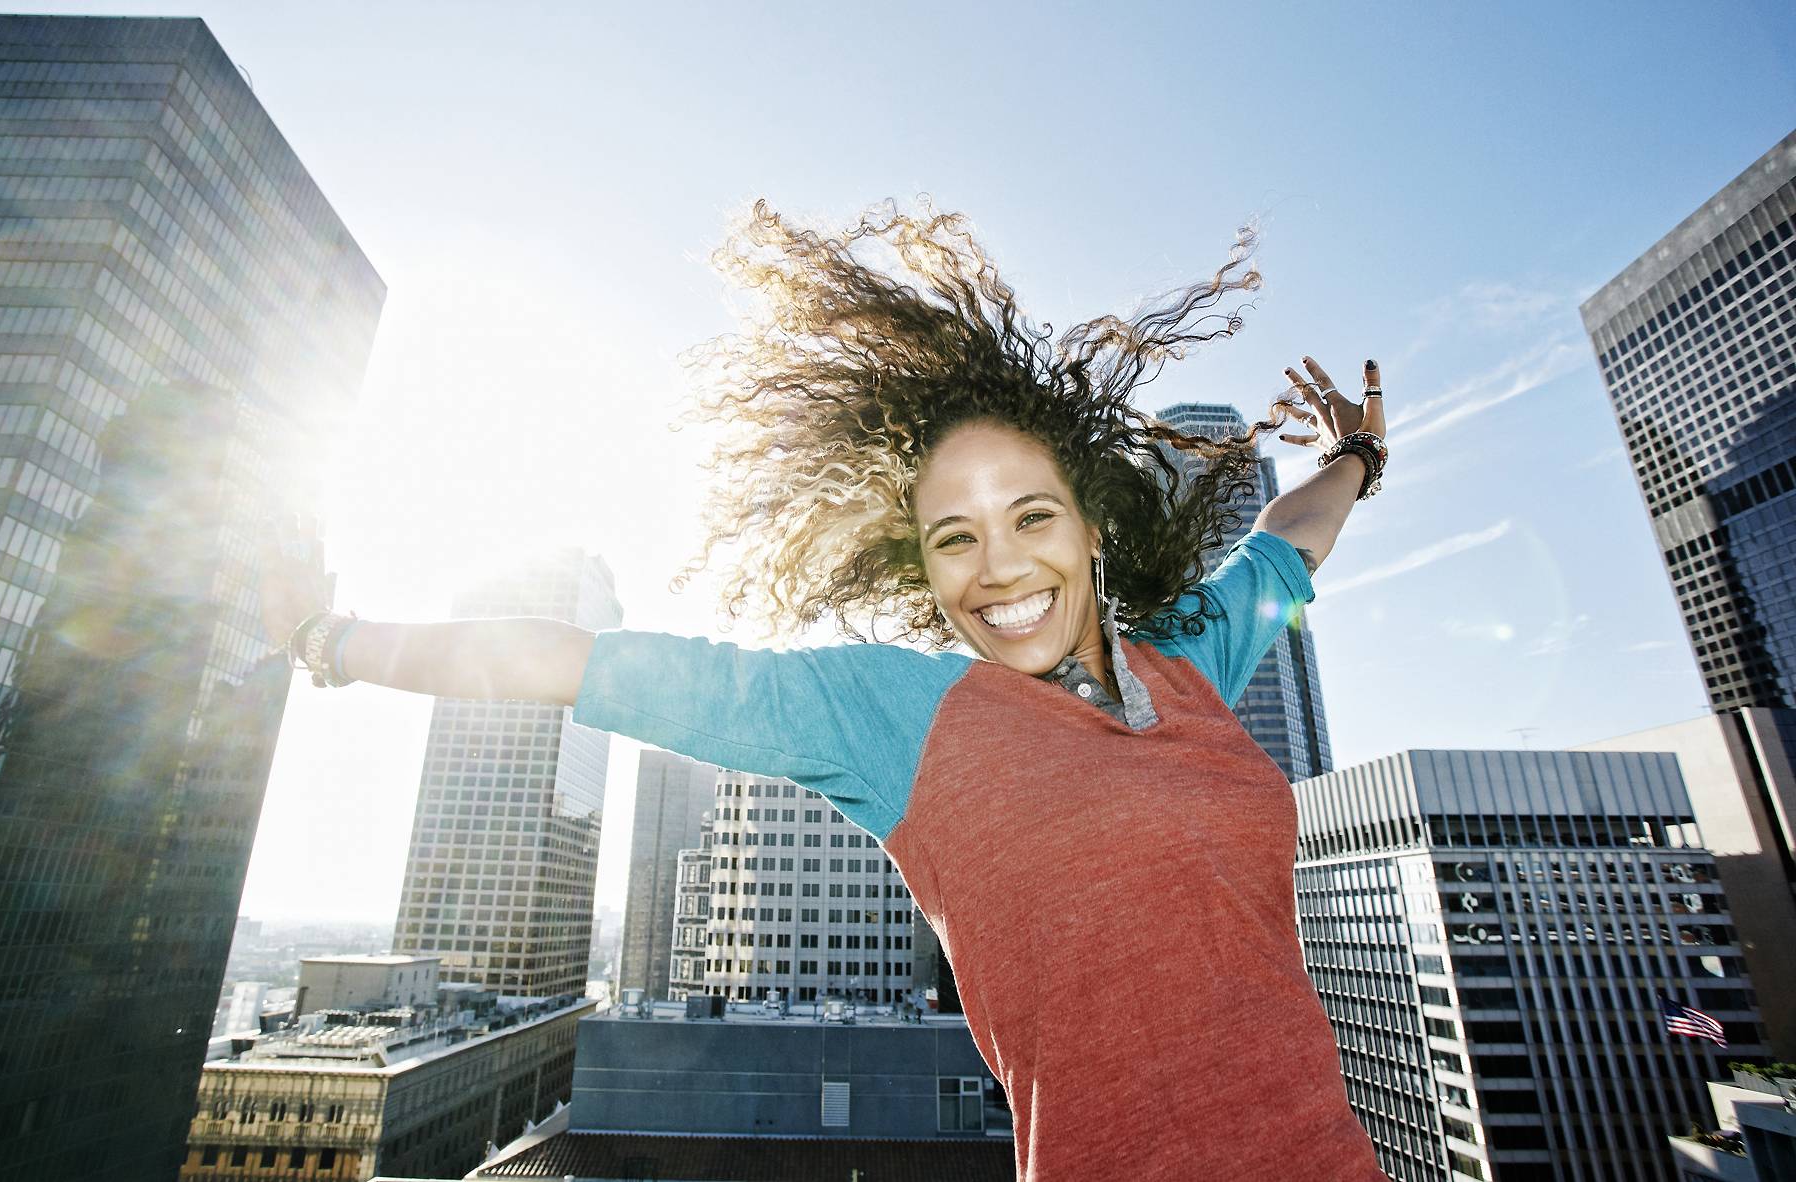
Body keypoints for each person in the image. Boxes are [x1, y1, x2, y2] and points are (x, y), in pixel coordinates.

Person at [261, 200, 1392, 1180]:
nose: (997, 568)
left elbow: (1283, 550)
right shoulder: (898, 716)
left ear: (1095, 526)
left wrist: (1355, 460)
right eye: (955, 539)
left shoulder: (1184, 666)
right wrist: (336, 638)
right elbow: (580, 666)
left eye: (1031, 517)